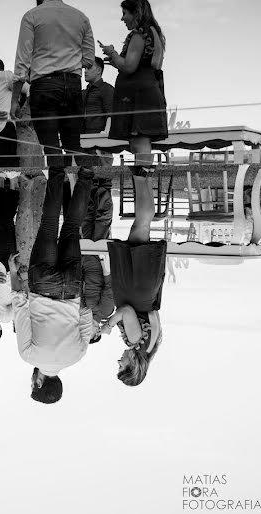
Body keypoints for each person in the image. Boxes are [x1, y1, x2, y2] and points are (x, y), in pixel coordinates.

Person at [14, 166, 96, 403]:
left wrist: (72, 297)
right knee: (49, 224)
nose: (31, 381)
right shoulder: (28, 356)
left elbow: (87, 314)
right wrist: (13, 273)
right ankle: (57, 170)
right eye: (32, 385)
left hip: (70, 288)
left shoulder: (77, 355)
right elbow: (20, 309)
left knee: (71, 227)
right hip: (41, 285)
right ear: (39, 383)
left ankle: (87, 174)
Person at [11, 0, 95, 167]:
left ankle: (56, 195)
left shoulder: (32, 16)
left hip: (44, 85)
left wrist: (15, 99)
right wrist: (69, 62)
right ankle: (84, 184)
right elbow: (89, 59)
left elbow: (21, 64)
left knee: (51, 147)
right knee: (73, 144)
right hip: (72, 83)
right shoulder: (80, 17)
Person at [101, 165, 165, 385]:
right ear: (132, 367)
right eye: (122, 366)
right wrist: (109, 326)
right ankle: (141, 175)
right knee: (141, 224)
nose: (118, 362)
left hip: (146, 287)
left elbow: (152, 315)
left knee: (142, 226)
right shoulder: (136, 342)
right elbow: (126, 312)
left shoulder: (150, 346)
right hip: (135, 283)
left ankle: (144, 177)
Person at [100, 0, 167, 166]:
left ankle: (143, 186)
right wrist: (116, 62)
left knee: (140, 144)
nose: (122, 18)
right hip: (146, 93)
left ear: (135, 12)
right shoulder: (153, 33)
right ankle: (142, 185)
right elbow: (143, 66)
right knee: (139, 145)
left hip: (139, 98)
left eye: (125, 13)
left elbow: (129, 66)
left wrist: (112, 53)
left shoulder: (139, 35)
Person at [82, 57, 114, 135]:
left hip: (99, 135)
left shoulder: (106, 89)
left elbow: (111, 113)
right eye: (85, 68)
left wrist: (106, 132)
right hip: (84, 135)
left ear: (99, 70)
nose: (85, 71)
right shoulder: (83, 92)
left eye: (89, 68)